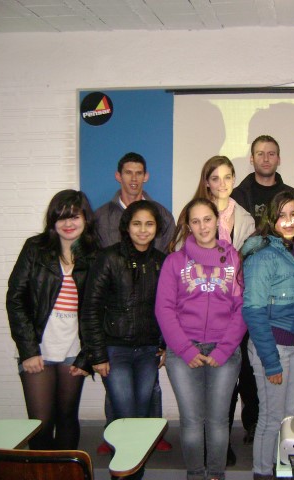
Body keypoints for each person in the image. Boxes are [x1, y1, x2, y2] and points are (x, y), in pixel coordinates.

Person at [156, 198, 247, 480]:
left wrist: (224, 350)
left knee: (218, 421)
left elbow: (242, 308)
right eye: (195, 221)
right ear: (188, 226)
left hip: (224, 351)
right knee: (192, 421)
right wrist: (185, 349)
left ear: (217, 221)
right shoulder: (174, 261)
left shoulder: (234, 259)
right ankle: (195, 475)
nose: (202, 226)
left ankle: (216, 474)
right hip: (183, 352)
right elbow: (164, 309)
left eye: (207, 219)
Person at [231, 135, 294, 439]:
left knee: (291, 393)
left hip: (289, 310)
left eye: (271, 153)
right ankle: (256, 427)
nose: (266, 158)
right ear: (251, 158)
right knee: (253, 375)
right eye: (260, 153)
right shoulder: (237, 196)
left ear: (279, 158)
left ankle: (290, 439)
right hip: (252, 298)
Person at [93, 151, 175, 455]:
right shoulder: (102, 216)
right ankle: (116, 437)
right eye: (128, 172)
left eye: (139, 172)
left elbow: (165, 262)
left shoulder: (162, 214)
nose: (134, 178)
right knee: (119, 394)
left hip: (148, 320)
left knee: (147, 390)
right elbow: (93, 296)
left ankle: (149, 435)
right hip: (116, 319)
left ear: (146, 176)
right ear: (119, 176)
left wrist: (164, 340)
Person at [6, 189, 98, 450]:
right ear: (52, 220)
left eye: (75, 216)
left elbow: (100, 311)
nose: (68, 223)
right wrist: (28, 351)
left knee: (67, 418)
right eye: (61, 217)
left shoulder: (95, 255)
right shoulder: (35, 248)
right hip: (38, 350)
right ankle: (42, 470)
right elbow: (16, 299)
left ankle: (65, 470)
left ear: (85, 219)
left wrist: (87, 357)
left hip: (74, 351)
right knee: (41, 423)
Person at [241, 191, 294, 480]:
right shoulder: (262, 256)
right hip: (272, 348)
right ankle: (262, 473)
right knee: (271, 419)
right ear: (271, 219)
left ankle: (284, 470)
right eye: (282, 215)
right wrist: (271, 362)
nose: (289, 221)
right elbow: (253, 311)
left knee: (290, 417)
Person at [188, 154, 255, 464]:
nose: (222, 183)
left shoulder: (245, 219)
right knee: (205, 383)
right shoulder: (194, 214)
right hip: (202, 310)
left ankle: (222, 443)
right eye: (215, 178)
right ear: (206, 182)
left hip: (234, 309)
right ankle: (208, 444)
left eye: (227, 177)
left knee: (230, 380)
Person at [81, 200, 166, 422]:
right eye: (137, 223)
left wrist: (165, 345)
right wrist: (97, 355)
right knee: (124, 414)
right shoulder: (108, 258)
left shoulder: (162, 262)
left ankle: (130, 446)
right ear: (127, 226)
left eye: (149, 224)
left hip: (149, 350)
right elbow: (91, 309)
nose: (143, 230)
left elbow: (169, 309)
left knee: (142, 413)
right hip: (114, 350)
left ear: (157, 227)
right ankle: (118, 445)